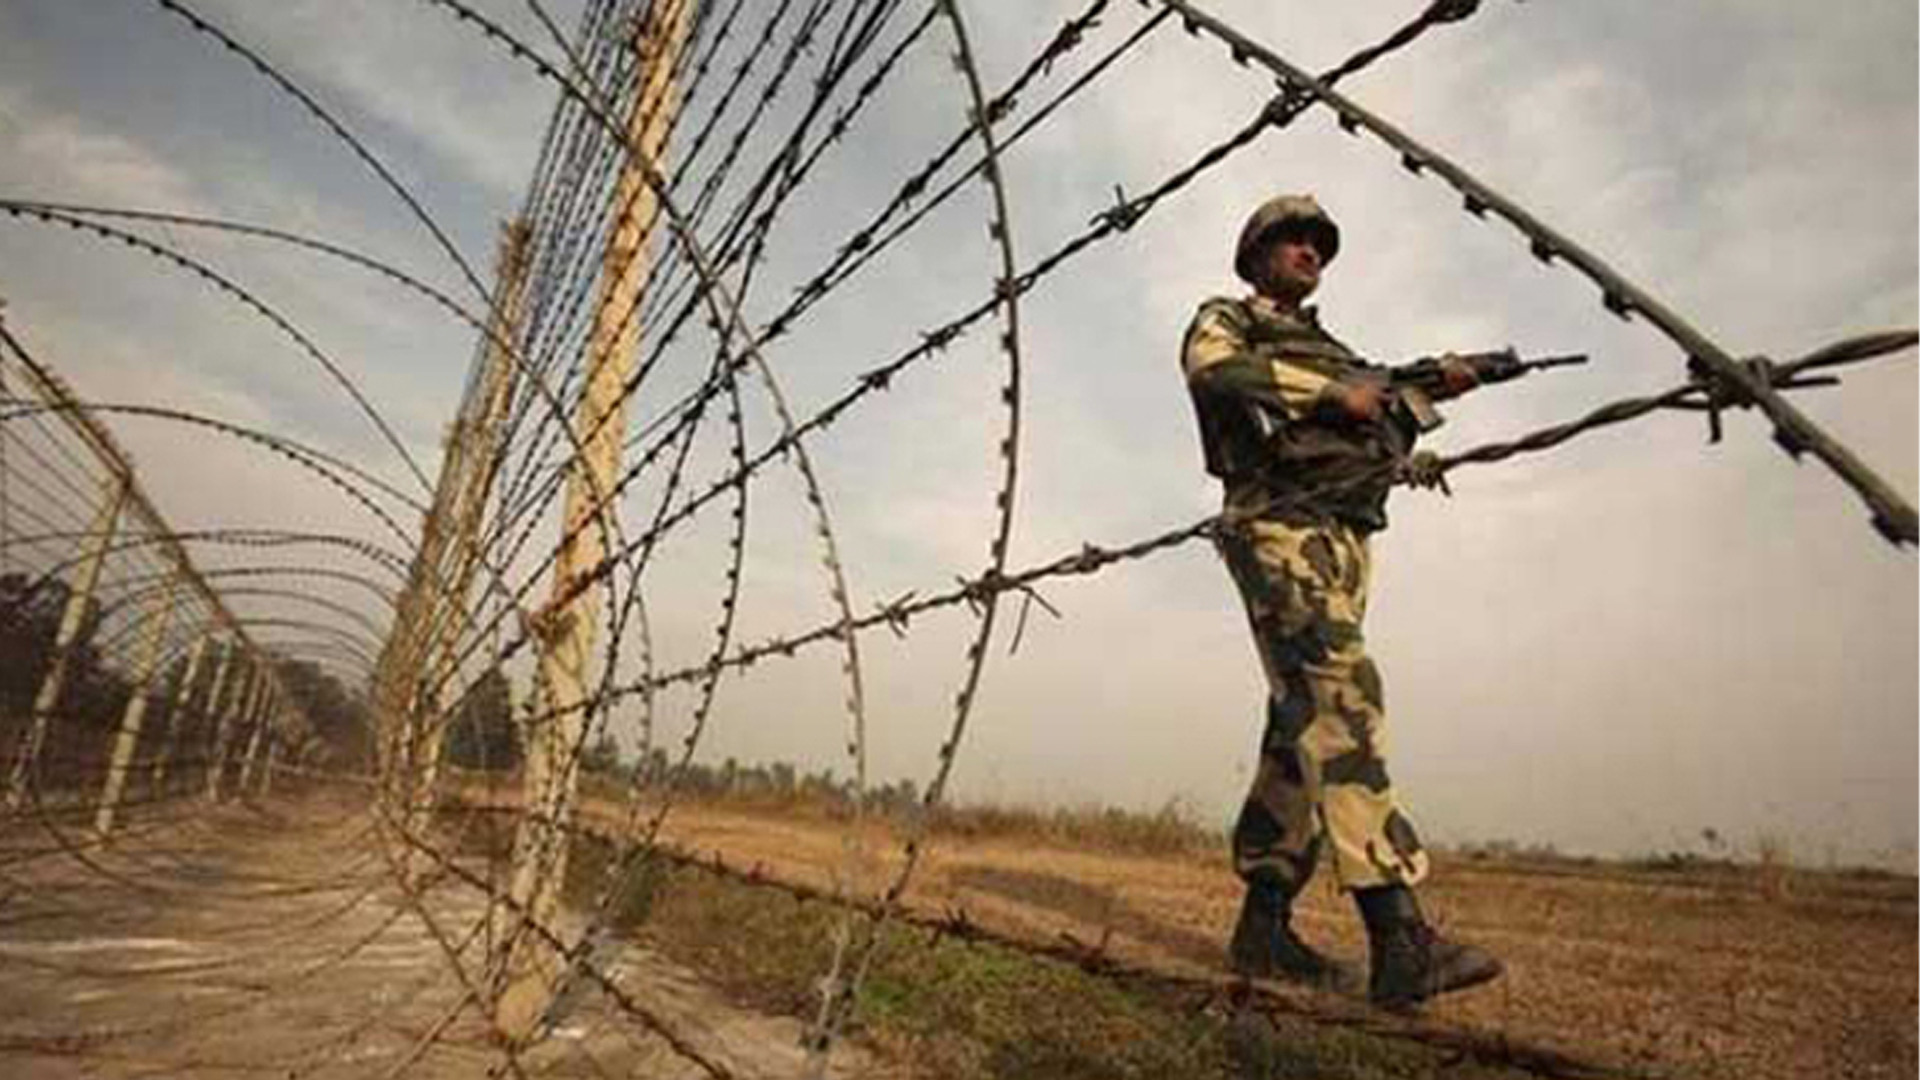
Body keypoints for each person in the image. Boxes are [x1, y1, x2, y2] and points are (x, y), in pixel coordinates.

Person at [1179, 193, 1503, 1009]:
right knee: (1344, 696)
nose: (1307, 250)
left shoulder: (1339, 350)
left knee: (1301, 723)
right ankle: (1399, 934)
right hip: (1274, 521)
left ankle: (1264, 924)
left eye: (1317, 242)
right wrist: (1335, 394)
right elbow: (1211, 369)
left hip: (1347, 534)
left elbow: (1376, 424)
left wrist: (1431, 396)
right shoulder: (1230, 318)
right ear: (1255, 256)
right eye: (1290, 239)